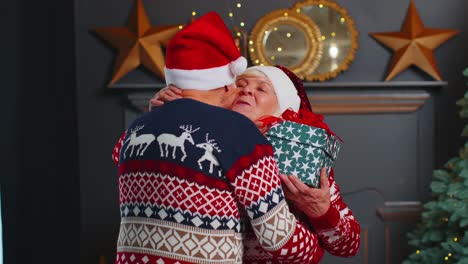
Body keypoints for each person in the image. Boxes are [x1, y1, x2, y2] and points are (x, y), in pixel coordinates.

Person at [112, 12, 326, 264]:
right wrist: (316, 249)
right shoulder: (237, 131)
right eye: (237, 83)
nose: (241, 91)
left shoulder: (136, 129)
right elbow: (278, 237)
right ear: (225, 84)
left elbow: (120, 158)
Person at [150, 65, 361, 262]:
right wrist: (162, 119)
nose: (247, 91)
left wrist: (322, 212)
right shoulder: (202, 141)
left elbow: (348, 246)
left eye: (262, 89)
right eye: (240, 85)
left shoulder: (304, 158)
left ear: (284, 106)